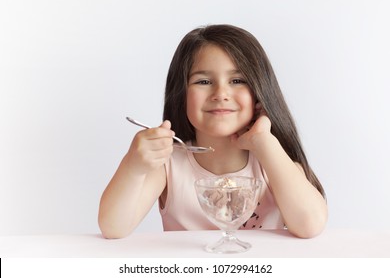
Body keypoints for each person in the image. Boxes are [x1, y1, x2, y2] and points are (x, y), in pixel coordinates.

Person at [98, 24, 327, 239]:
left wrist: (264, 142)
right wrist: (134, 165)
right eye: (204, 81)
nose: (221, 93)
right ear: (181, 93)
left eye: (237, 80)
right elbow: (113, 227)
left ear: (259, 92)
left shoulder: (273, 161)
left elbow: (310, 225)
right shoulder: (168, 166)